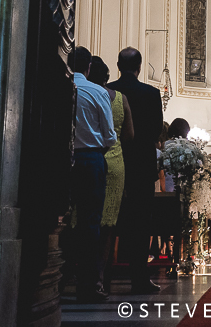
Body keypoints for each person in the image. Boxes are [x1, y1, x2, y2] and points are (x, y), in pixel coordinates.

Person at [108, 47, 164, 294]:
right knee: (141, 221)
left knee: (110, 219)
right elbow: (155, 132)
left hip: (113, 161)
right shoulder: (151, 93)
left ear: (118, 66)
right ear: (140, 67)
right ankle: (139, 278)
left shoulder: (108, 91)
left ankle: (104, 276)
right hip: (142, 163)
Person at [69, 47, 118, 303]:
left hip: (62, 161)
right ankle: (87, 286)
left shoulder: (58, 87)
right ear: (88, 67)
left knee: (59, 221)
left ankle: (56, 278)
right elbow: (109, 136)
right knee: (90, 222)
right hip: (90, 159)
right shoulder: (98, 92)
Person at [87, 56, 134, 296]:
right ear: (107, 78)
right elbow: (128, 135)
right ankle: (99, 278)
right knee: (107, 224)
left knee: (80, 220)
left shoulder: (81, 93)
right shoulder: (118, 98)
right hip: (114, 161)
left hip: (85, 159)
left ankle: (75, 275)